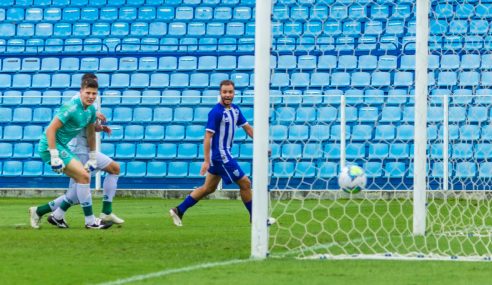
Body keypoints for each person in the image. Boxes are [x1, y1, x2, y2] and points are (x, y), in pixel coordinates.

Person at [29, 74, 124, 229]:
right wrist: (54, 155)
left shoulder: (91, 110)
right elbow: (51, 130)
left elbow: (90, 132)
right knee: (83, 179)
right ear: (81, 91)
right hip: (51, 146)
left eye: (94, 93)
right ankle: (90, 221)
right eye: (88, 93)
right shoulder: (72, 107)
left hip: (64, 147)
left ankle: (49, 214)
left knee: (82, 183)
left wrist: (93, 157)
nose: (91, 96)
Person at [169, 80, 255, 227]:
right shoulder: (215, 112)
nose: (227, 95)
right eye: (224, 92)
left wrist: (261, 144)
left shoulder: (235, 110)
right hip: (221, 156)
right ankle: (256, 218)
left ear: (234, 93)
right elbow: (207, 137)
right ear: (220, 93)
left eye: (230, 92)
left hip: (222, 156)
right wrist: (206, 160)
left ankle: (179, 210)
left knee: (208, 188)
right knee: (246, 184)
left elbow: (248, 128)